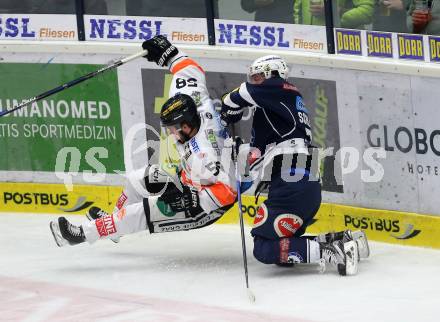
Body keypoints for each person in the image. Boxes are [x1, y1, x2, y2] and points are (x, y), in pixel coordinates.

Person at [50, 35, 237, 247]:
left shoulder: (207, 155)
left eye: (173, 129)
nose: (170, 134)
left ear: (186, 126)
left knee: (142, 211)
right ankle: (112, 226)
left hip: (206, 206)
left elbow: (228, 192)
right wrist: (169, 53)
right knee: (135, 180)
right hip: (187, 179)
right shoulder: (195, 101)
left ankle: (81, 234)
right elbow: (189, 68)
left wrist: (190, 199)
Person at [220, 55, 370, 275]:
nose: (255, 81)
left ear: (273, 74)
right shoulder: (273, 108)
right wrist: (238, 153)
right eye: (253, 77)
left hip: (293, 180)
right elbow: (257, 155)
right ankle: (341, 239)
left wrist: (227, 110)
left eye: (259, 76)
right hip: (299, 179)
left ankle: (332, 249)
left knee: (263, 249)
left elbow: (238, 95)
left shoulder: (280, 88)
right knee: (282, 246)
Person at [294, 0, 374, 29]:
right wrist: (297, 32)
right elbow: (297, 10)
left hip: (340, 43)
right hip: (307, 44)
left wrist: (335, 13)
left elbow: (368, 12)